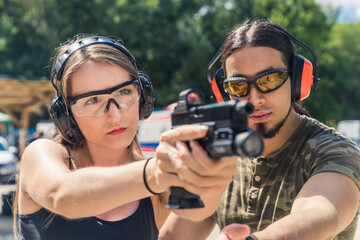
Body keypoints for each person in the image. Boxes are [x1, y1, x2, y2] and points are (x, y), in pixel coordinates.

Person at [13, 34, 235, 240]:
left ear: (143, 96)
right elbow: (63, 195)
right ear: (66, 116)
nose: (115, 115)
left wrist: (212, 174)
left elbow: (200, 211)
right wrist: (157, 173)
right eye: (92, 101)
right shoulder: (42, 154)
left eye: (124, 92)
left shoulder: (155, 176)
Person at [156, 20, 360, 240]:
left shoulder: (335, 151)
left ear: (297, 80)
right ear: (224, 92)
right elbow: (173, 236)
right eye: (238, 85)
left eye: (270, 80)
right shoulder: (220, 153)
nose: (254, 99)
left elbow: (320, 213)